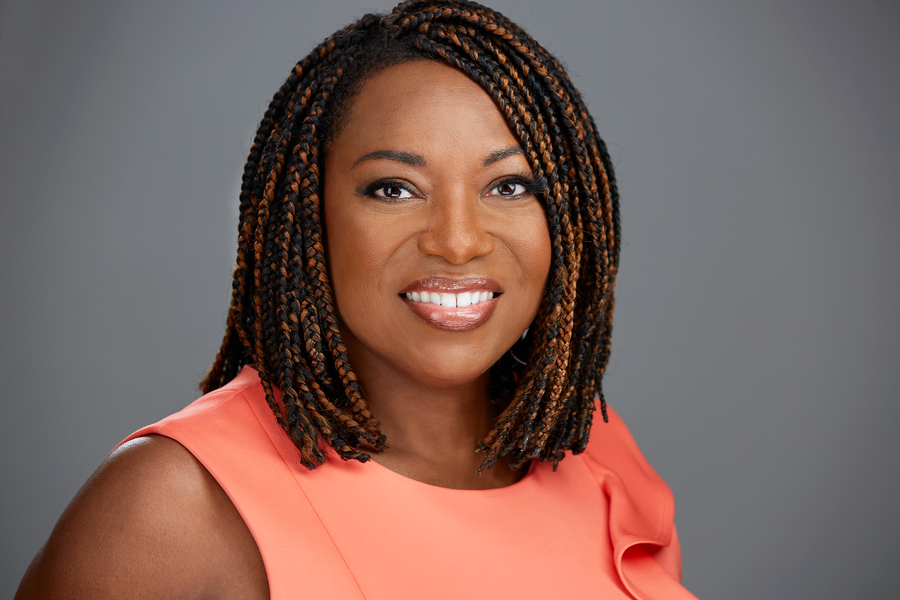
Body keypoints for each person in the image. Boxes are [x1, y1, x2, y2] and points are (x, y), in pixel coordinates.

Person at [16, 1, 698, 598]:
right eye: (393, 189)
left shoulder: (597, 456)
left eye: (509, 186)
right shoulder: (173, 505)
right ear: (306, 219)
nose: (459, 242)